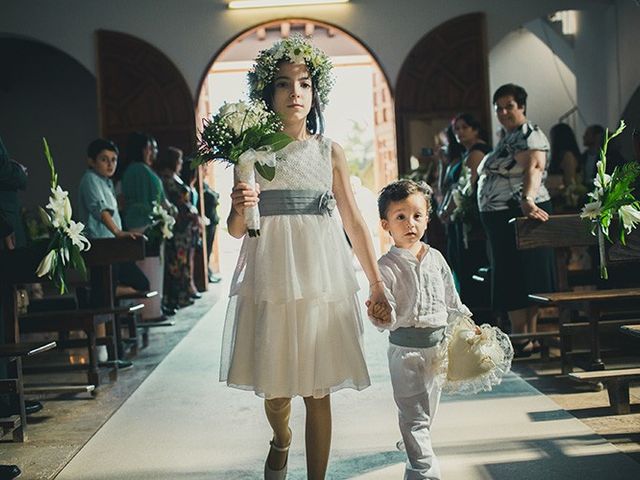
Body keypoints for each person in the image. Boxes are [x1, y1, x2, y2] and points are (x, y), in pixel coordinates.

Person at [220, 35, 391, 480]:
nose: (295, 92)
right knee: (276, 394)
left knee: (318, 390)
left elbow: (353, 221)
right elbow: (236, 230)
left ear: (315, 94)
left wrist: (376, 282)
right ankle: (281, 438)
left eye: (304, 83)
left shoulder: (328, 150)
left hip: (320, 275)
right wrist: (240, 206)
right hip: (272, 274)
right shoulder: (252, 153)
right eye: (283, 83)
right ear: (268, 93)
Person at [370, 179, 471, 480]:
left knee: (427, 412)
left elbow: (451, 300)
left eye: (417, 216)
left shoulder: (436, 259)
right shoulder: (384, 266)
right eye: (400, 216)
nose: (410, 223)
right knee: (413, 415)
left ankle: (413, 444)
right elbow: (383, 312)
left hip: (437, 349)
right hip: (405, 350)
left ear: (427, 218)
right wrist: (379, 312)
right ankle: (426, 472)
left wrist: (466, 324)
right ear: (386, 224)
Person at [477, 83, 555, 357]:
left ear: (522, 106)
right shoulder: (509, 136)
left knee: (518, 273)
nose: (503, 112)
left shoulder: (528, 134)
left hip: (516, 211)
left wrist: (528, 200)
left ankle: (523, 336)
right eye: (498, 107)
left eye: (509, 106)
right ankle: (527, 336)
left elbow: (534, 166)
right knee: (515, 272)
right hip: (503, 214)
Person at [77, 138, 149, 367]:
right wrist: (119, 232)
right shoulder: (89, 179)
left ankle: (96, 294)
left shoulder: (107, 182)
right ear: (91, 161)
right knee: (103, 300)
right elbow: (100, 211)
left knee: (140, 284)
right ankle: (104, 352)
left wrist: (122, 233)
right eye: (104, 160)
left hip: (112, 248)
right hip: (99, 246)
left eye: (114, 160)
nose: (110, 164)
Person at [450, 113, 492, 306]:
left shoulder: (476, 152)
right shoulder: (466, 153)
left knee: (471, 267)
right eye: (456, 129)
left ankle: (478, 310)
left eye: (464, 127)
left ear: (475, 129)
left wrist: (453, 208)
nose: (459, 132)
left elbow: (468, 188)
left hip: (472, 218)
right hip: (466, 215)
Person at [156, 147, 200, 309]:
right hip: (178, 227)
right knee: (177, 262)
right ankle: (178, 296)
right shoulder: (167, 178)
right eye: (179, 160)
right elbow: (178, 202)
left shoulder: (176, 177)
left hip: (187, 227)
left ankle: (185, 293)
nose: (181, 163)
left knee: (185, 261)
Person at [548, 123, 585, 211]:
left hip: (565, 201)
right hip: (558, 198)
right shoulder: (562, 155)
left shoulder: (567, 155)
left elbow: (570, 183)